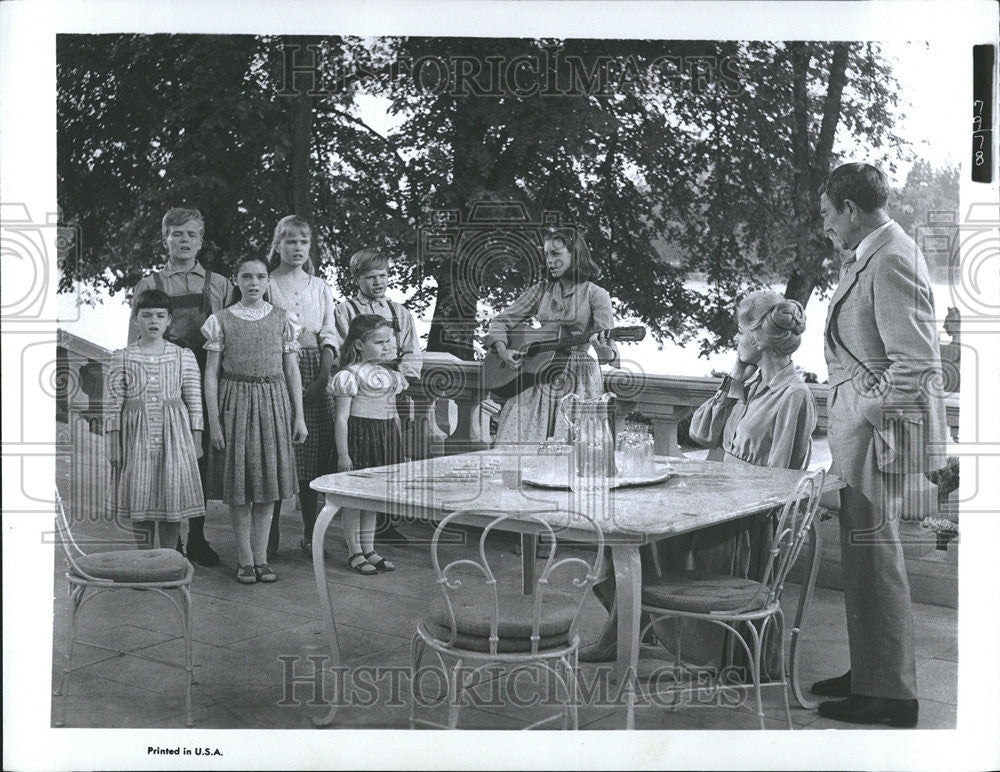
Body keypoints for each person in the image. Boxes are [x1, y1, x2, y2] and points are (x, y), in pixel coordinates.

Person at [580, 291, 817, 671]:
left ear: (758, 338)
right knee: (627, 532)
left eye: (740, 333)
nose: (736, 341)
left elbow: (782, 484)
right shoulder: (750, 384)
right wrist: (735, 380)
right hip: (717, 504)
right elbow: (702, 432)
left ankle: (627, 634)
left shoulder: (794, 395)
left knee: (644, 541)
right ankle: (632, 630)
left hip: (743, 526)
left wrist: (728, 499)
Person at [812, 162, 948, 727]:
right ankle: (871, 670)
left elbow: (916, 363)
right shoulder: (877, 252)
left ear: (850, 208)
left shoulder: (890, 257)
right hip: (865, 436)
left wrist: (869, 406)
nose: (826, 227)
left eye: (827, 215)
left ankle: (891, 695)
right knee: (865, 559)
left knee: (877, 556)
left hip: (880, 437)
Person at [128, 207, 232, 567]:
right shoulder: (151, 284)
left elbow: (231, 334)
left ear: (201, 241)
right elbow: (135, 341)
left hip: (208, 378)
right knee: (160, 459)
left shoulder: (219, 284)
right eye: (177, 234)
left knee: (198, 459)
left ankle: (197, 538)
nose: (185, 240)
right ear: (165, 239)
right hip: (162, 382)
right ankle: (157, 545)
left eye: (191, 234)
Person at [201, 256, 308, 585]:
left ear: (267, 281)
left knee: (266, 487)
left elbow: (292, 370)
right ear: (236, 279)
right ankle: (244, 558)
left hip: (274, 402)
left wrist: (299, 416)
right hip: (235, 402)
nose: (254, 283)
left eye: (260, 277)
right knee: (240, 486)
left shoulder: (283, 319)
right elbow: (210, 375)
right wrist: (215, 423)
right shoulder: (219, 321)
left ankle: (262, 557)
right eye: (246, 276)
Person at [484, 227, 618, 445]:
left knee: (574, 447)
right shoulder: (541, 290)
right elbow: (501, 320)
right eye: (546, 255)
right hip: (538, 374)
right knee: (518, 440)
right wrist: (502, 349)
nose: (549, 261)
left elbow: (607, 355)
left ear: (575, 254)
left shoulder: (596, 294)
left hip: (578, 378)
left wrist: (603, 350)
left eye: (556, 254)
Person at [332, 248, 423, 544]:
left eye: (383, 275)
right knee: (363, 461)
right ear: (357, 279)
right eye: (371, 277)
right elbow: (346, 346)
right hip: (360, 385)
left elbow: (411, 349)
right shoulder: (345, 310)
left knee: (388, 454)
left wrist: (404, 377)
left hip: (390, 385)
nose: (378, 282)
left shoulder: (399, 312)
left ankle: (383, 524)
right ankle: (360, 537)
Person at [106, 289, 205, 551]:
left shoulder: (183, 355)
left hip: (174, 437)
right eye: (147, 315)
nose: (153, 321)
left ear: (169, 320)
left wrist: (196, 439)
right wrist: (113, 442)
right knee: (142, 501)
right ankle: (145, 560)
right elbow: (113, 404)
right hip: (136, 437)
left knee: (170, 503)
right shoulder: (123, 356)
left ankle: (169, 559)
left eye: (160, 315)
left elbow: (194, 401)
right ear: (135, 319)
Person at [264, 216, 338, 561]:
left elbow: (329, 331)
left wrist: (323, 375)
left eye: (303, 242)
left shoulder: (321, 287)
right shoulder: (268, 284)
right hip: (277, 367)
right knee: (280, 450)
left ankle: (311, 533)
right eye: (290, 241)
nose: (297, 248)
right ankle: (271, 531)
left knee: (313, 454)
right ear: (277, 244)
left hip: (314, 368)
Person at [329, 315, 408, 575]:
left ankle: (370, 548)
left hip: (384, 438)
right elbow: (341, 418)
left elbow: (394, 414)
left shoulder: (392, 376)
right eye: (379, 342)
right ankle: (355, 551)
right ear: (360, 345)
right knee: (355, 500)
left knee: (372, 499)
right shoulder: (350, 375)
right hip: (360, 438)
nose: (386, 346)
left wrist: (399, 449)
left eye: (389, 341)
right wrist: (343, 453)